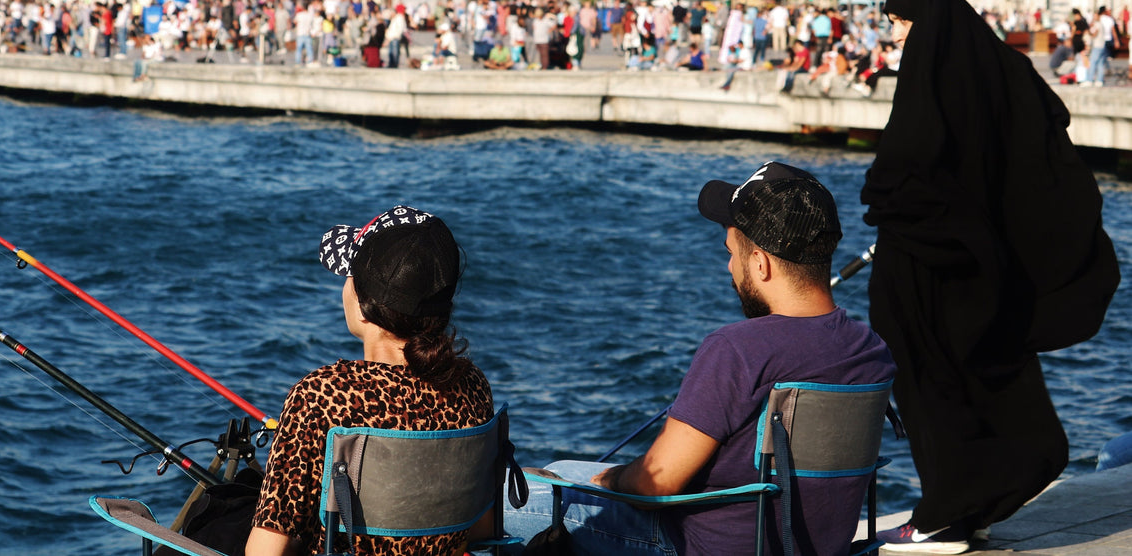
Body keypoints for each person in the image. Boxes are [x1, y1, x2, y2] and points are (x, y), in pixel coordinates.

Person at [502, 161, 895, 556]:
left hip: (692, 545)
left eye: (731, 253)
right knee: (563, 470)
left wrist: (610, 479)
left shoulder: (737, 349)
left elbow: (654, 483)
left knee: (500, 499)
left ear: (760, 263)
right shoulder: (871, 351)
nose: (729, 267)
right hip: (818, 547)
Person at [864, 0, 1120, 554]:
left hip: (929, 266)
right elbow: (1043, 151)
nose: (897, 35)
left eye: (902, 23)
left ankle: (942, 516)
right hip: (982, 269)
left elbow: (905, 172)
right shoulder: (1000, 70)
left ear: (926, 21)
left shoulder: (933, 81)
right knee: (978, 376)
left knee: (932, 385)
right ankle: (969, 507)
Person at [247, 206, 494, 556]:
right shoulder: (472, 385)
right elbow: (482, 525)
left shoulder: (321, 395)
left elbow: (265, 552)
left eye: (349, 277)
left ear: (365, 304)